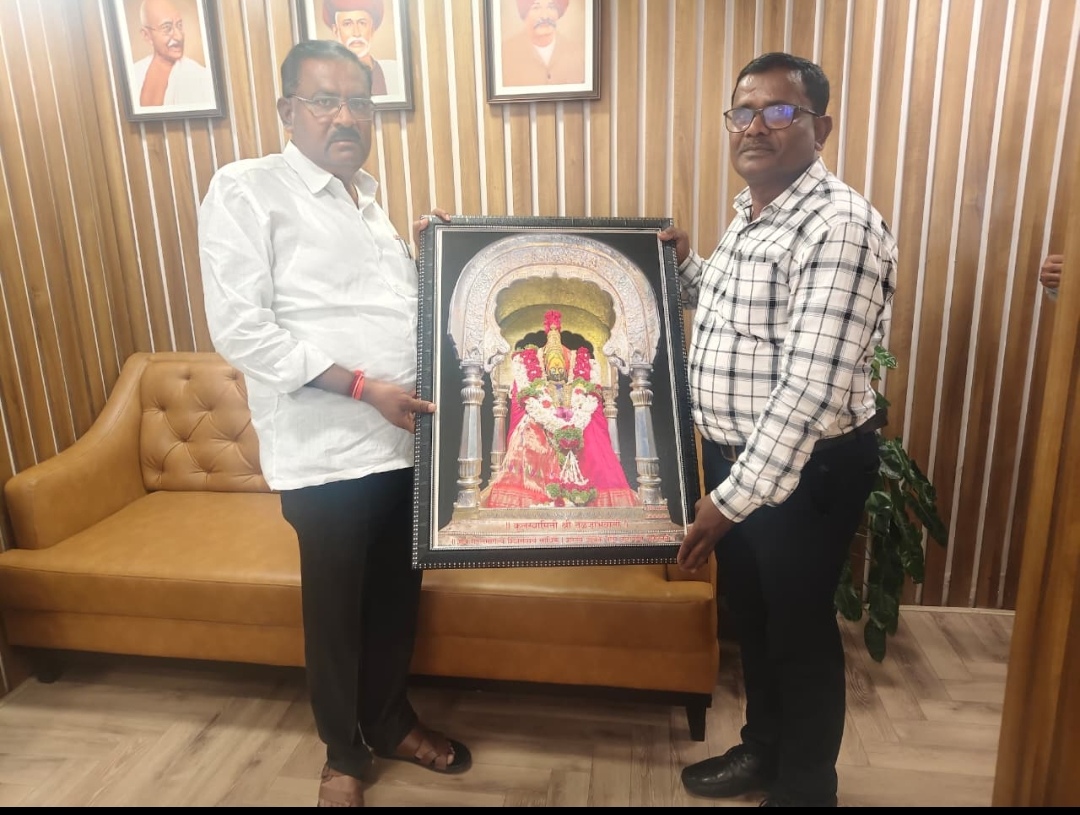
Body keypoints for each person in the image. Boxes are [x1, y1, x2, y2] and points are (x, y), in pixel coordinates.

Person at [197, 38, 469, 808]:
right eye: (325, 100)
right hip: (327, 454)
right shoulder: (248, 190)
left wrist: (436, 259)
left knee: (394, 600)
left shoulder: (370, 203)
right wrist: (360, 386)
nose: (345, 117)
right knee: (337, 612)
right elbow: (242, 329)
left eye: (359, 102)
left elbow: (393, 315)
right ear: (289, 110)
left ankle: (390, 721)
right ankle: (343, 754)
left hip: (403, 443)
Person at [659, 52, 897, 807]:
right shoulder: (753, 213)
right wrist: (683, 266)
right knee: (757, 623)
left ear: (820, 128)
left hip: (807, 470)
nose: (756, 126)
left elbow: (810, 387)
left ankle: (806, 788)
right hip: (742, 462)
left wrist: (729, 501)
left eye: (780, 111)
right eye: (743, 111)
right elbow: (738, 316)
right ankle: (763, 750)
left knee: (797, 631)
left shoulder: (840, 226)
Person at [481, 309, 640, 509]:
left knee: (590, 429)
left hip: (577, 419)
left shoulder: (578, 385)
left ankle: (583, 490)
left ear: (567, 368)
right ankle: (540, 492)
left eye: (560, 368)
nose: (556, 371)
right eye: (553, 368)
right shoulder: (532, 381)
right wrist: (550, 417)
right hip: (542, 419)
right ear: (544, 368)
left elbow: (587, 404)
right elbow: (530, 404)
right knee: (528, 427)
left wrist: (571, 416)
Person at [131, 0, 215, 108]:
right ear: (147, 36)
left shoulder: (201, 78)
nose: (179, 36)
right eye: (167, 28)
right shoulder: (134, 74)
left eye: (179, 25)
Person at [322, 0, 402, 99]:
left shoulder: (394, 71)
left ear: (372, 29)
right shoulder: (325, 77)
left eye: (362, 23)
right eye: (347, 24)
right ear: (336, 31)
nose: (356, 33)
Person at [501, 0, 585, 87]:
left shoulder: (579, 53)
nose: (545, 16)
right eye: (536, 8)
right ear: (524, 13)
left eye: (551, 7)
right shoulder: (505, 53)